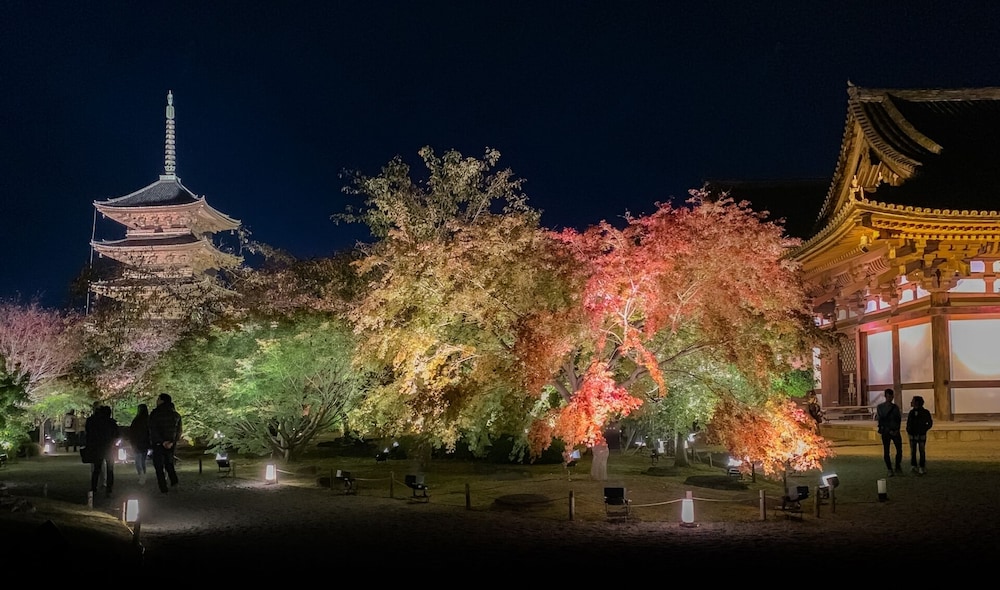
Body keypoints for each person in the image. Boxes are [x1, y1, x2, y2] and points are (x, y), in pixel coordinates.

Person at [149, 393, 182, 493]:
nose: (157, 401)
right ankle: (174, 482)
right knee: (169, 463)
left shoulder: (155, 414)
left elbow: (153, 430)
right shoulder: (176, 415)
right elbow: (179, 431)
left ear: (162, 401)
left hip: (158, 444)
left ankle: (163, 487)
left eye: (158, 399)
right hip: (171, 445)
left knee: (159, 466)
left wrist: (162, 441)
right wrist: (172, 442)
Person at [84, 405, 119, 498]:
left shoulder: (95, 422)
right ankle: (109, 488)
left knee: (97, 468)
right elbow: (116, 434)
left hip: (98, 447)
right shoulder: (111, 422)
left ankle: (94, 487)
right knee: (110, 469)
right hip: (109, 448)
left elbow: (89, 433)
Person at [875, 388, 903, 477]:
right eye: (888, 396)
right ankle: (889, 468)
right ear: (886, 396)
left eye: (891, 396)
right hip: (886, 431)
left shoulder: (895, 407)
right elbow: (881, 420)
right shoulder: (880, 407)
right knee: (886, 451)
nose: (890, 398)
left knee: (899, 450)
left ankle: (897, 466)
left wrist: (897, 429)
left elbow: (898, 419)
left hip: (894, 430)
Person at [906, 395, 934, 475]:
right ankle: (913, 465)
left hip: (921, 434)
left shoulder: (925, 412)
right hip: (912, 434)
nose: (911, 402)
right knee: (913, 451)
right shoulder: (911, 412)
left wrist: (924, 429)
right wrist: (909, 430)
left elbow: (930, 423)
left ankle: (922, 466)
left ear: (917, 402)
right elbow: (909, 423)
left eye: (913, 401)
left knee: (921, 450)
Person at [128, 403, 151, 484]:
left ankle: (141, 476)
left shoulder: (136, 420)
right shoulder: (148, 420)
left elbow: (132, 432)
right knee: (142, 460)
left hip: (137, 443)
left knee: (138, 461)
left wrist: (132, 442)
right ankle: (143, 475)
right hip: (145, 443)